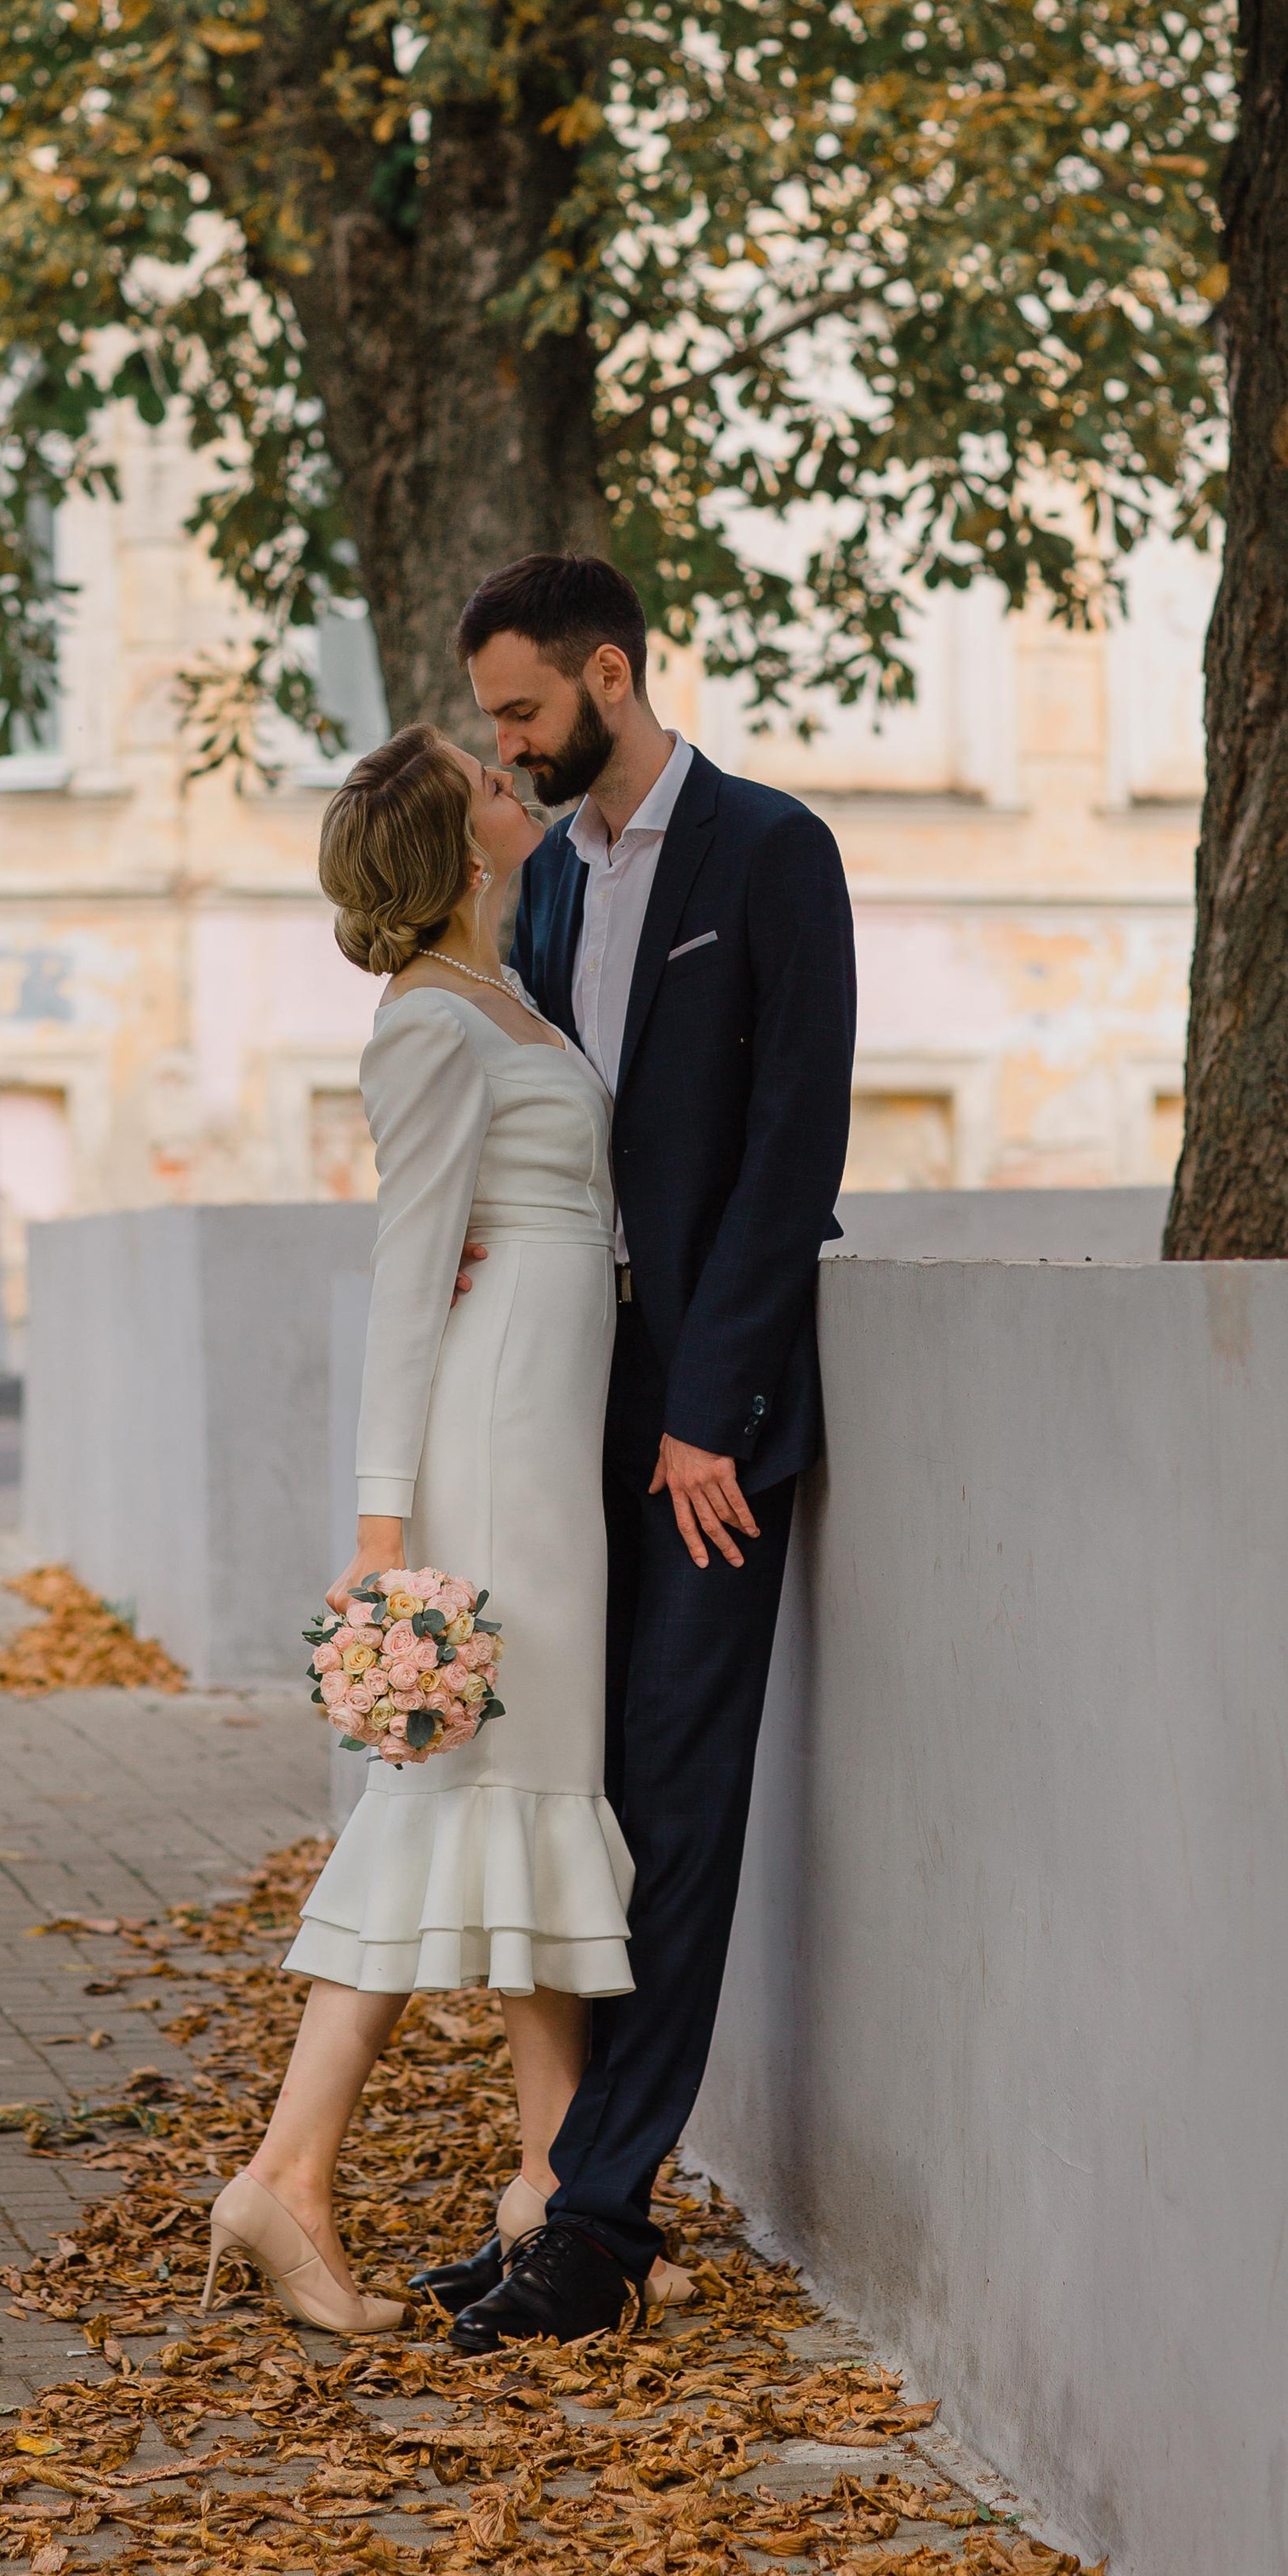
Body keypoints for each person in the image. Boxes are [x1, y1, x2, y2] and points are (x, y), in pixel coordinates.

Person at [419, 553, 855, 2350]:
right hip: (558, 1412)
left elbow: (787, 1151)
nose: (503, 744)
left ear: (612, 673)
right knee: (571, 1796)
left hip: (702, 1433)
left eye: (521, 708)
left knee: (675, 1806)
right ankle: (564, 2188)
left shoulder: (767, 852)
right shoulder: (537, 890)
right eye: (491, 718)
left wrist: (707, 1416)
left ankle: (598, 2217)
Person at [202, 723, 641, 2337]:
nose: (509, 783)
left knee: (522, 1793)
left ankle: (542, 2179)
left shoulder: (507, 996)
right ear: (457, 845)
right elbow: (406, 1278)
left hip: (542, 1423)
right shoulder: (428, 1027)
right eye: (484, 780)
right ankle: (293, 2177)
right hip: (489, 1448)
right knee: (475, 1784)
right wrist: (383, 1530)